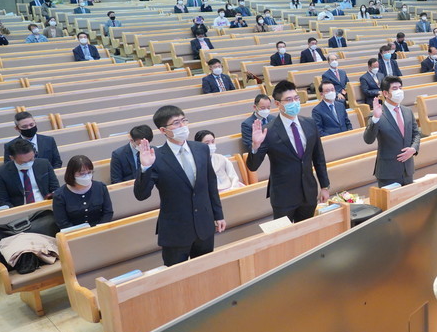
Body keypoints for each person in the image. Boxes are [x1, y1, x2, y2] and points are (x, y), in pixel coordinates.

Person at [134, 105, 225, 266]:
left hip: (204, 226)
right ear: (163, 130)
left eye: (184, 120)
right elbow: (141, 195)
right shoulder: (156, 157)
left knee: (206, 274)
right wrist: (145, 167)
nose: (182, 126)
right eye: (176, 123)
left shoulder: (201, 149)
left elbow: (211, 184)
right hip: (175, 232)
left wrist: (218, 215)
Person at [246, 81, 331, 222]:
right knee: (284, 238)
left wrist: (325, 186)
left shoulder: (309, 123)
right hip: (283, 196)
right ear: (278, 104)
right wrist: (255, 146)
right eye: (289, 100)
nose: (295, 103)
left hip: (308, 193)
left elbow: (319, 158)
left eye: (296, 98)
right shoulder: (268, 130)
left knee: (307, 234)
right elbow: (252, 166)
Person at [363, 76, 421, 187]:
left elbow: (416, 134)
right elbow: (368, 140)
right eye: (394, 88)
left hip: (408, 169)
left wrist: (413, 149)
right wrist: (375, 118)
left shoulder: (407, 111)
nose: (399, 91)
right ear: (385, 93)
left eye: (400, 87)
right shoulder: (377, 113)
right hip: (388, 172)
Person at [0, 139, 59, 208]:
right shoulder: (1, 173)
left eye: (31, 159)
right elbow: (3, 201)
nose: (28, 163)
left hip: (46, 206)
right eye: (23, 162)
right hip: (20, 211)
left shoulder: (44, 164)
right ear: (12, 158)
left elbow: (55, 188)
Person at [52, 155, 113, 229]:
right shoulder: (60, 195)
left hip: (100, 230)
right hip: (74, 234)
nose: (87, 176)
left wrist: (98, 229)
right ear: (72, 174)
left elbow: (108, 212)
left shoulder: (100, 187)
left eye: (89, 172)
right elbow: (62, 223)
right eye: (82, 173)